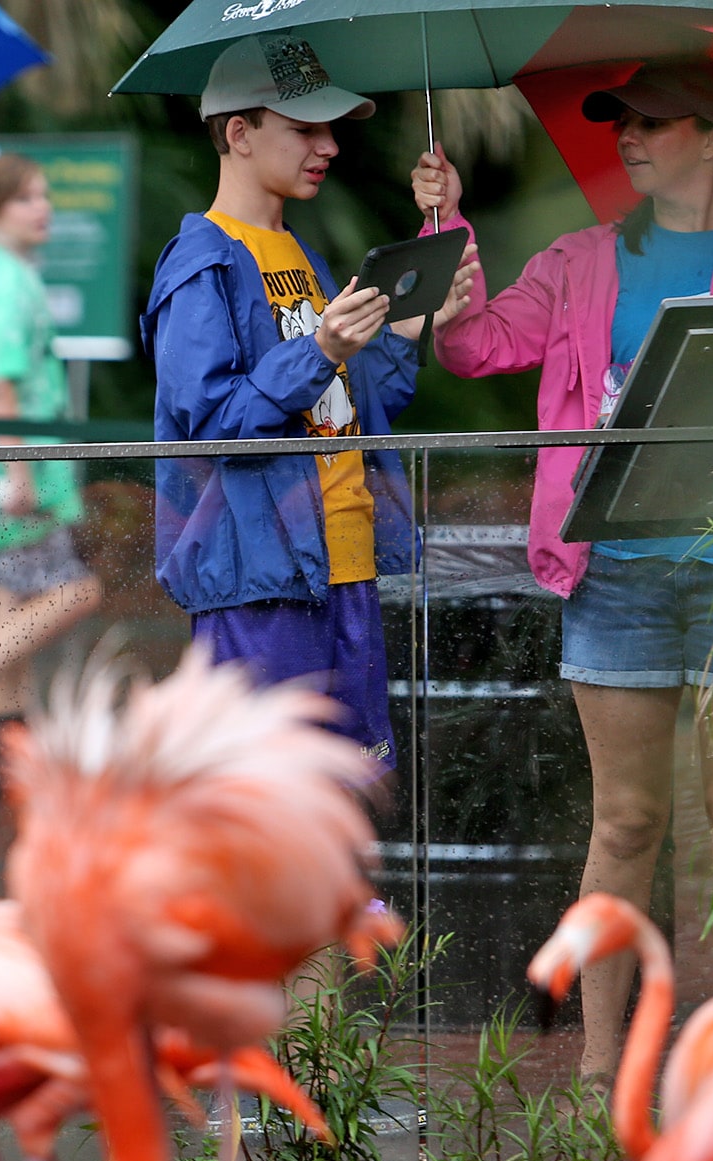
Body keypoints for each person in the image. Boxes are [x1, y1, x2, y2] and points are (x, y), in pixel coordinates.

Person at [418, 57, 713, 1079]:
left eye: (655, 123)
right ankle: (600, 1074)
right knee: (627, 822)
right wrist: (449, 228)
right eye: (623, 122)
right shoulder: (576, 261)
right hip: (613, 573)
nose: (629, 137)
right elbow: (473, 348)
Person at [141, 35, 468, 771]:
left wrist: (412, 328)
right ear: (237, 133)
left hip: (344, 564)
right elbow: (212, 425)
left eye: (330, 129)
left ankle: (350, 897)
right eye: (304, 129)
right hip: (259, 581)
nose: (328, 147)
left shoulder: (304, 255)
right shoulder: (201, 261)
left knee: (353, 785)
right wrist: (319, 350)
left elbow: (347, 403)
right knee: (263, 797)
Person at [0, 154, 103, 773]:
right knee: (78, 589)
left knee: (12, 604)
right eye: (27, 198)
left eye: (44, 196)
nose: (43, 209)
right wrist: (22, 474)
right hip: (8, 471)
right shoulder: (2, 279)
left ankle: (8, 761)